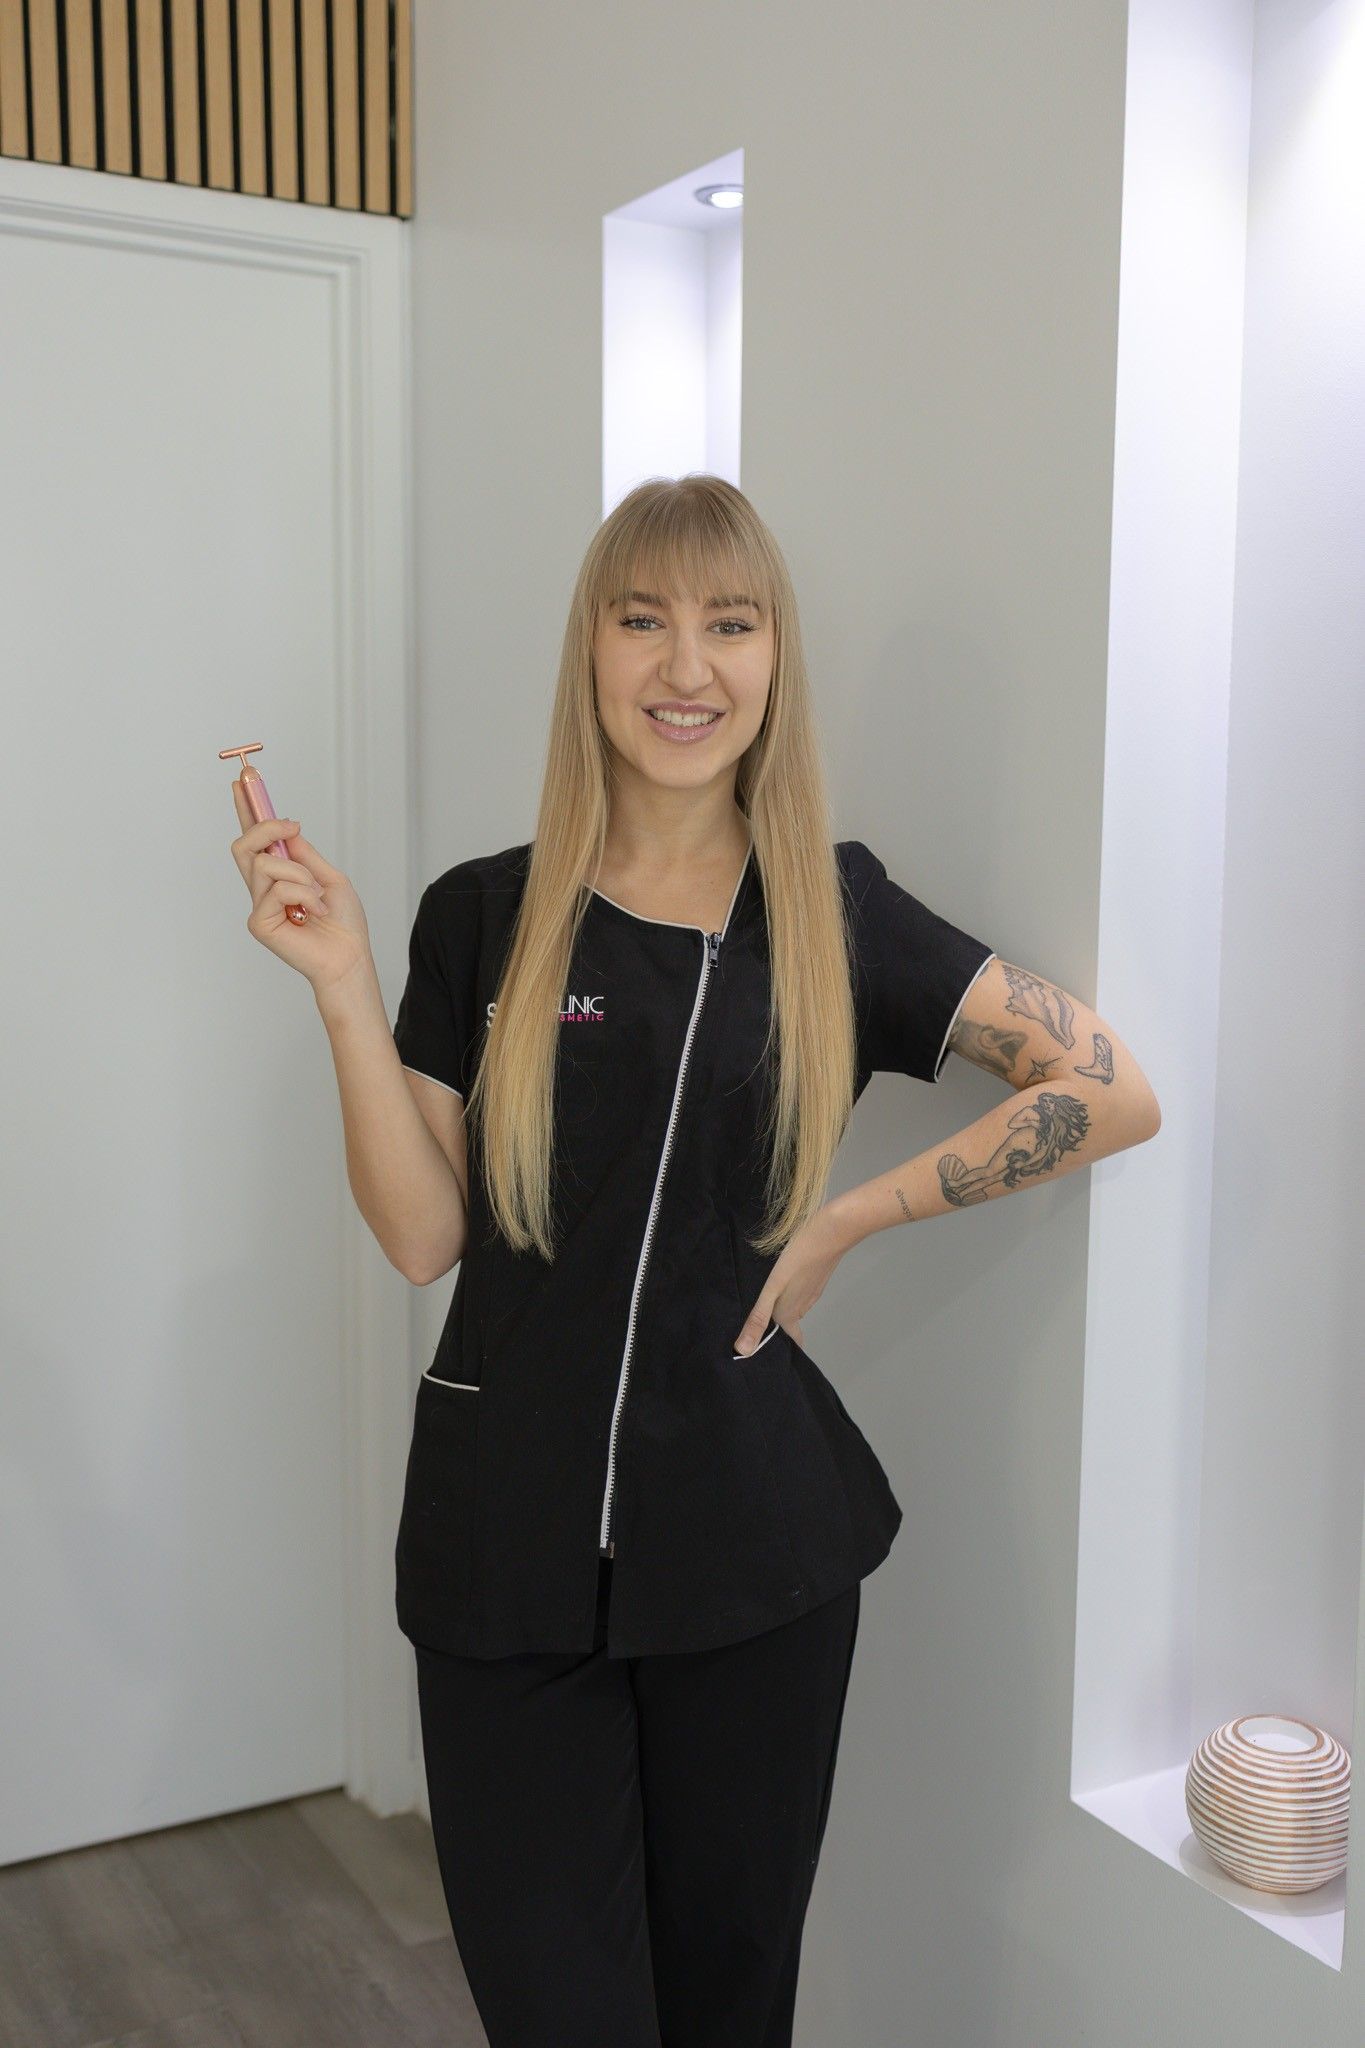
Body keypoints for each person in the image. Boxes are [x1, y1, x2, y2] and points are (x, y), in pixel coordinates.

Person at [229, 474, 1161, 2047]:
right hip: (499, 1558)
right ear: (590, 652)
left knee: (729, 2011)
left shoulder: (831, 911)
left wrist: (852, 1218)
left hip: (754, 1563)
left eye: (730, 624)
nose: (686, 666)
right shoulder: (484, 916)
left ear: (773, 658)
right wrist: (334, 987)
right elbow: (420, 1234)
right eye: (642, 618)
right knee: (559, 2012)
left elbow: (1105, 1089)